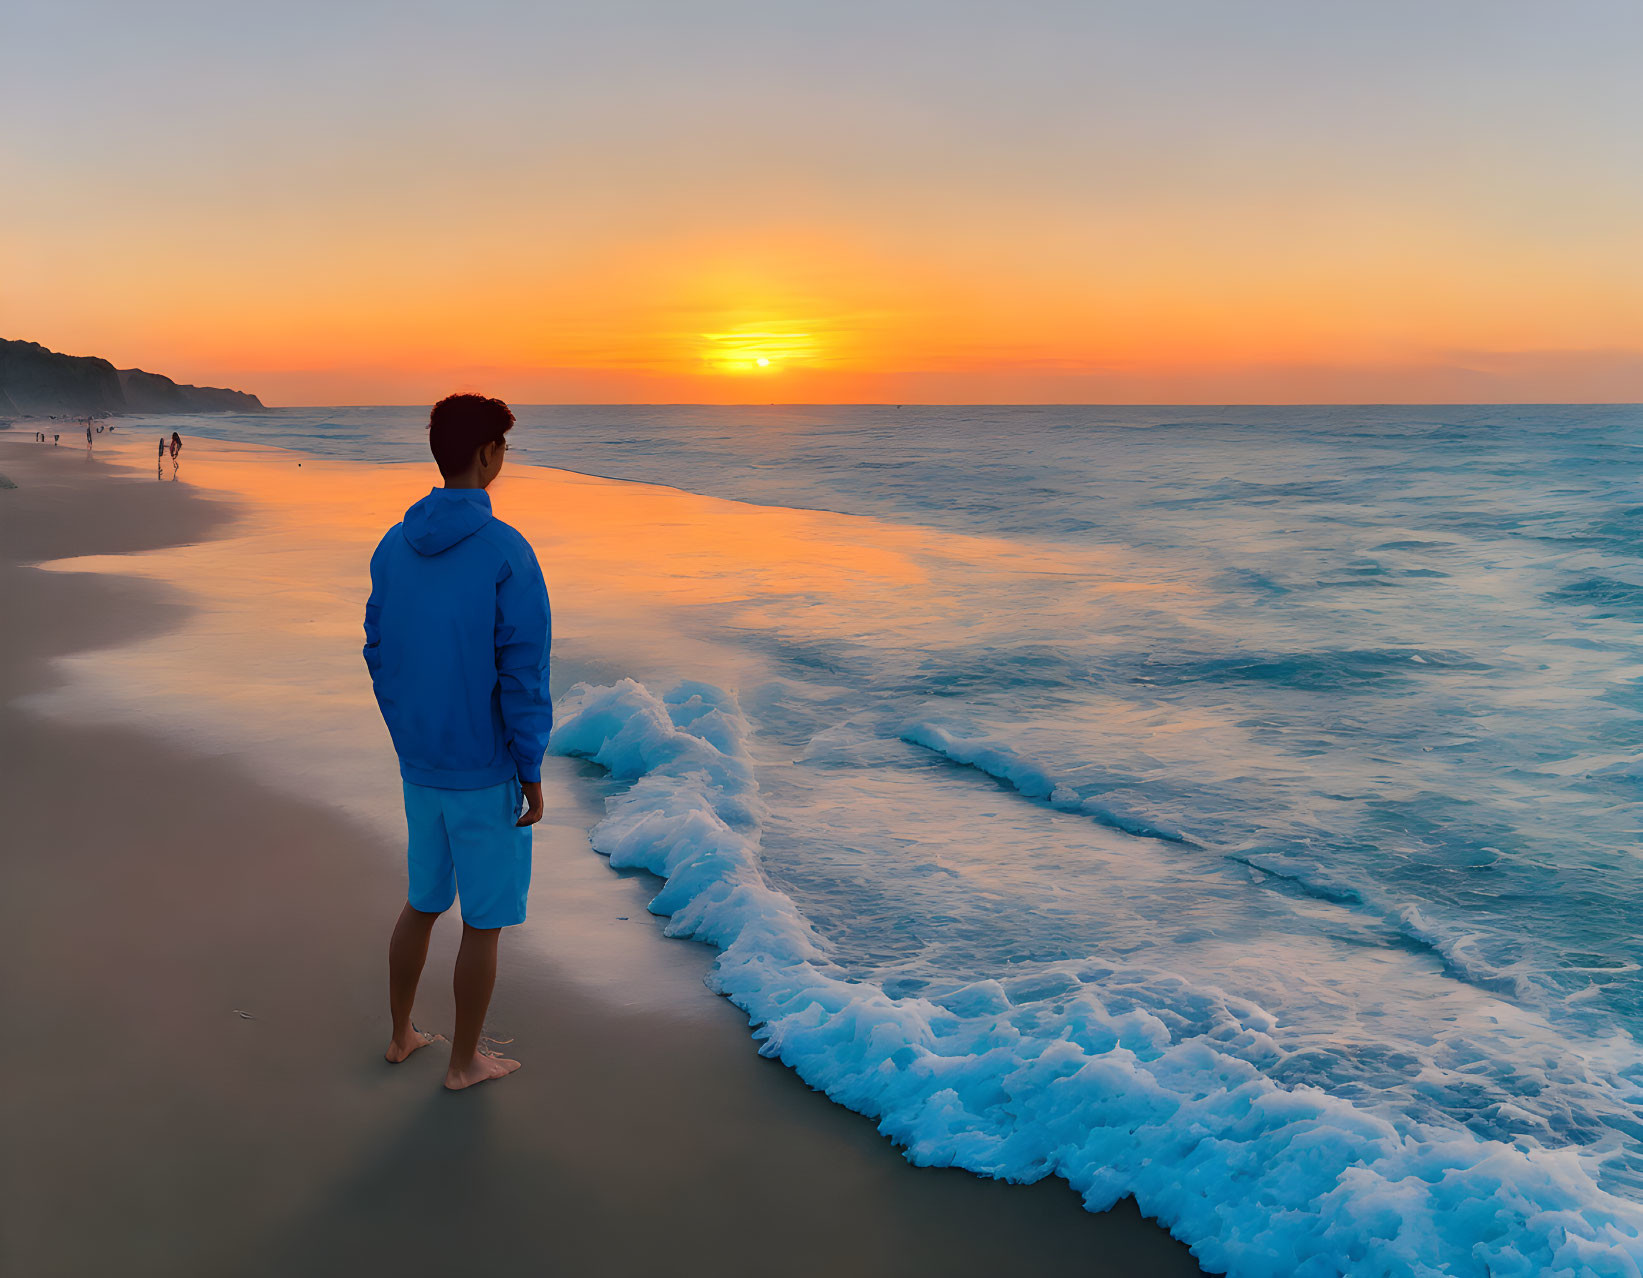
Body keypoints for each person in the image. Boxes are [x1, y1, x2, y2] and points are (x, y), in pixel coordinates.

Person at [363, 393, 551, 1091]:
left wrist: (408, 729)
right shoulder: (506, 550)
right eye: (502, 446)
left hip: (422, 763)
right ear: (485, 454)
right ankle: (464, 1061)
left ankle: (400, 1035)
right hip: (484, 767)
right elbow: (523, 668)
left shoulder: (393, 543)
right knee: (483, 921)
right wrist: (529, 766)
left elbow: (378, 647)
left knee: (421, 902)